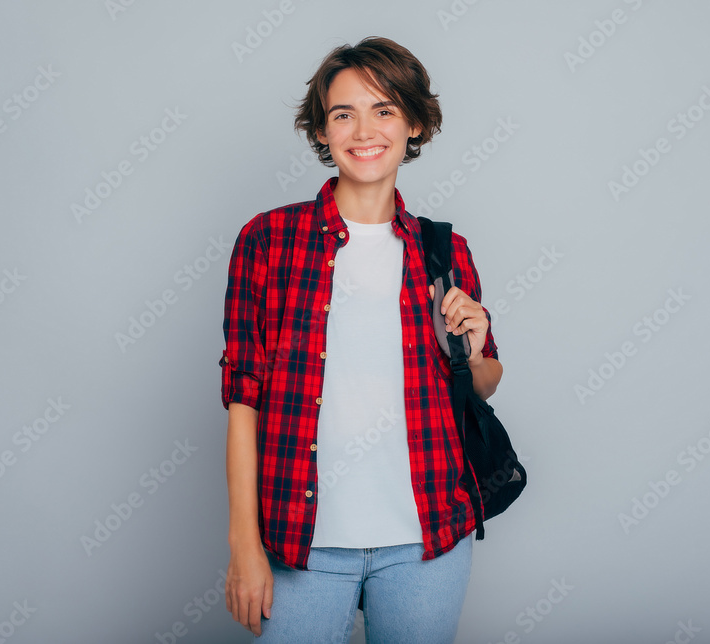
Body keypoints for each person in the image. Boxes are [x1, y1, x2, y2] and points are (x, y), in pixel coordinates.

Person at [220, 36, 503, 644]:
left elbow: (482, 385)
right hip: (301, 542)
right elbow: (243, 396)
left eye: (385, 110)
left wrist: (473, 350)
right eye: (343, 113)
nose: (363, 129)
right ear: (322, 132)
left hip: (426, 540)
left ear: (415, 124)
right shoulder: (268, 242)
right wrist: (244, 543)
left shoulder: (444, 250)